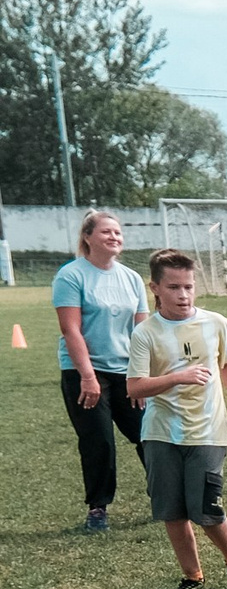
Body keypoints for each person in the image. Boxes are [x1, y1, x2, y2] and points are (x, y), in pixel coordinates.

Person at [126, 249, 227, 589]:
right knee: (172, 511)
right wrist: (177, 377)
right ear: (155, 288)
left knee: (207, 509)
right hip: (160, 433)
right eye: (174, 288)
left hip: (209, 431)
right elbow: (135, 386)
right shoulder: (145, 333)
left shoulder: (216, 322)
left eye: (189, 287)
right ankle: (192, 578)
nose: (183, 295)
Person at [51, 208, 150, 533]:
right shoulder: (71, 275)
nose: (114, 237)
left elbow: (142, 330)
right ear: (88, 237)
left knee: (148, 435)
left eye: (118, 232)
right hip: (84, 372)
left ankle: (167, 497)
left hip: (126, 371)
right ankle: (98, 509)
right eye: (106, 232)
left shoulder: (132, 278)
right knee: (99, 441)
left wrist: (142, 376)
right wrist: (88, 377)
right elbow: (71, 330)